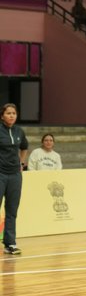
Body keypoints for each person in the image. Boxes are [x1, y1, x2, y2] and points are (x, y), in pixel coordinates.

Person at [1, 104, 28, 255]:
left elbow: (24, 147)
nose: (11, 116)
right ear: (2, 116)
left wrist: (21, 163)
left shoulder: (19, 131)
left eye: (14, 113)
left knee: (12, 209)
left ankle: (10, 243)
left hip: (15, 175)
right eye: (8, 113)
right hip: (0, 173)